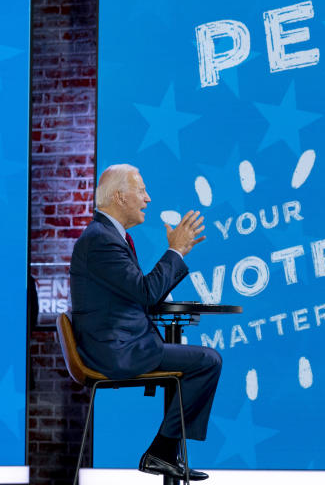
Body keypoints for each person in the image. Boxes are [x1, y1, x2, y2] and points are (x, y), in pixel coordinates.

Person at [70, 164, 218, 480]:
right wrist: (176, 250)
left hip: (120, 343)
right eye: (141, 190)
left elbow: (134, 294)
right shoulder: (101, 240)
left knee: (201, 361)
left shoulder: (109, 236)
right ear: (120, 196)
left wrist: (178, 254)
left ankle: (163, 454)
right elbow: (147, 292)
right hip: (116, 351)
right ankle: (162, 452)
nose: (148, 199)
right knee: (208, 361)